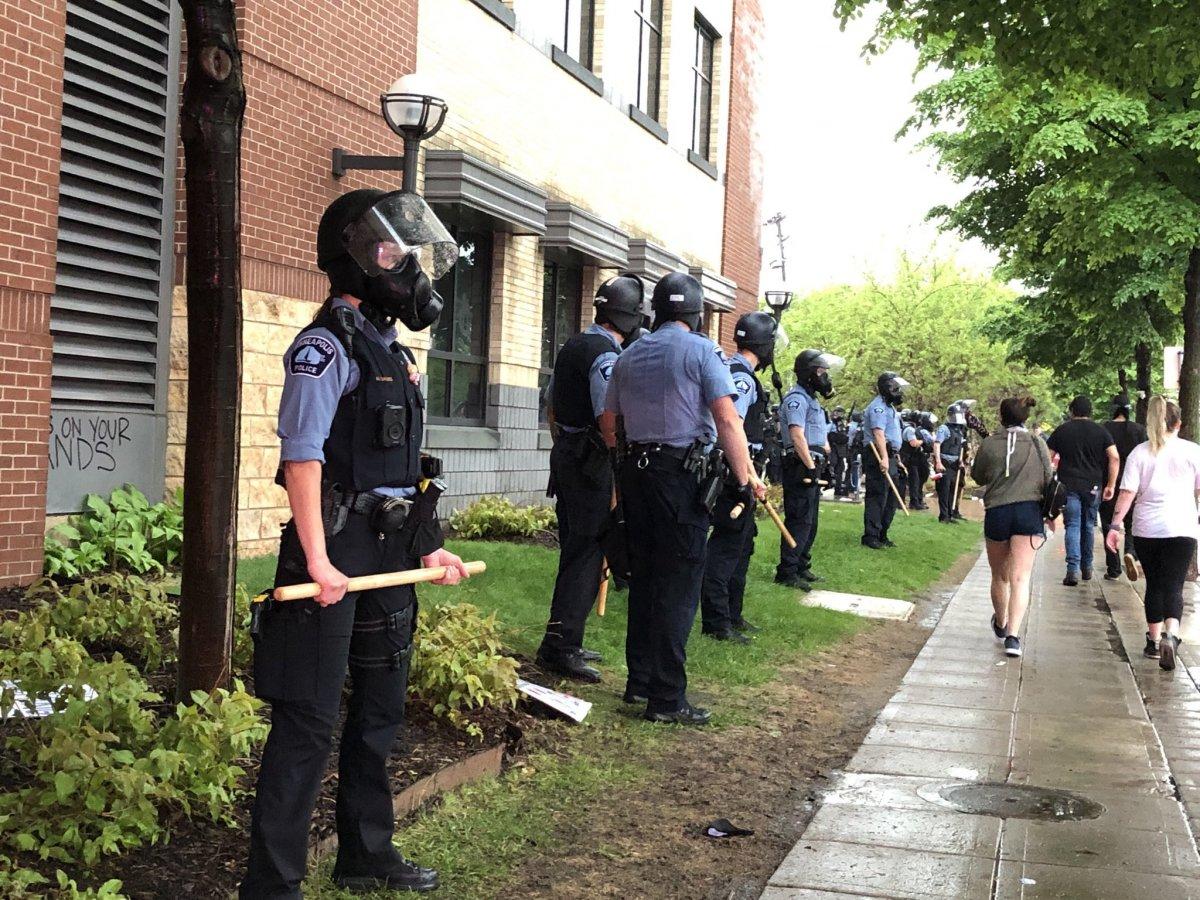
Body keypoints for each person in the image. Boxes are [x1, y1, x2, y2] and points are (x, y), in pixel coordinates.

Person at [240, 190, 471, 897]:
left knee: (380, 709)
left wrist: (425, 549)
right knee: (308, 722)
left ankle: (366, 854)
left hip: (389, 554)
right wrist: (316, 559)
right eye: (390, 250)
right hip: (332, 549)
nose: (405, 266)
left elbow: (401, 472)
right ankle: (273, 886)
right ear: (354, 255)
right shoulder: (323, 347)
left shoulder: (392, 352)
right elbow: (303, 458)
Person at [600, 272, 765, 726]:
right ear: (694, 312)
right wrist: (744, 476)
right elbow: (728, 421)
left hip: (635, 472)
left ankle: (640, 681)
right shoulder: (702, 351)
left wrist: (625, 464)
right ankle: (668, 698)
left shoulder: (630, 354)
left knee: (646, 576)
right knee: (679, 581)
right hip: (680, 477)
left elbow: (610, 422)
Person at [536, 273, 645, 682]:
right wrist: (618, 462)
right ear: (630, 316)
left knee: (579, 551)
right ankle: (560, 648)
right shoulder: (604, 355)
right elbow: (608, 419)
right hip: (590, 463)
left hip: (569, 456)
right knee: (584, 554)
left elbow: (551, 406)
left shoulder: (573, 345)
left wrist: (565, 445)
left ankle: (567, 639)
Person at [701, 311, 779, 641]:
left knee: (743, 545)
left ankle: (733, 614)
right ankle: (717, 623)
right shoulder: (743, 379)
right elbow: (733, 430)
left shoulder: (735, 371)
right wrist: (747, 476)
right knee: (726, 548)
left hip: (741, 472)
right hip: (734, 475)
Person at [1105, 397, 1200, 670]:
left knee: (1154, 584)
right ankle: (1171, 634)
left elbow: (1127, 494)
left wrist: (1114, 526)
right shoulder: (1193, 451)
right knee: (1175, 583)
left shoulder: (1140, 453)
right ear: (1179, 423)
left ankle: (1153, 640)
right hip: (1182, 526)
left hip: (1148, 527)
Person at [971, 397, 1054, 658]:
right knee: (1021, 577)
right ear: (1025, 417)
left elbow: (977, 475)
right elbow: (1049, 477)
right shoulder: (1037, 443)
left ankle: (1000, 620)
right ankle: (1013, 637)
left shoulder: (989, 444)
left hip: (997, 512)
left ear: (1000, 416)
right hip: (1028, 513)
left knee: (999, 575)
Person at [775, 348, 843, 587]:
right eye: (821, 371)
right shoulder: (796, 399)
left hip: (812, 462)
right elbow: (796, 435)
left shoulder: (811, 400)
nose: (825, 377)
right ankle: (787, 571)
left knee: (810, 520)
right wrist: (810, 465)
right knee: (799, 519)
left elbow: (818, 436)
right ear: (808, 373)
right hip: (799, 464)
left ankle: (802, 565)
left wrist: (825, 463)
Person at [1046, 395, 1119, 586]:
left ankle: (1072, 570)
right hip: (1093, 486)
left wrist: (1048, 483)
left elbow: (1048, 457)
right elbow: (1114, 457)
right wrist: (1110, 484)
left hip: (1068, 485)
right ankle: (1087, 567)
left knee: (1072, 525)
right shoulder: (1101, 431)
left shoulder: (1062, 430)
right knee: (1088, 525)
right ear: (1090, 412)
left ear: (1072, 411)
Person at [1100, 393, 1147, 581]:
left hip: (1109, 483)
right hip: (1133, 484)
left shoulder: (1104, 429)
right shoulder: (1139, 430)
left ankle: (1113, 567)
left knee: (1109, 524)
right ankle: (1131, 552)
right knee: (1131, 524)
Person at [862, 372, 909, 549]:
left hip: (890, 454)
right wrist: (883, 458)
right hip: (877, 453)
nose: (897, 391)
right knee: (877, 495)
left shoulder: (891, 409)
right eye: (894, 387)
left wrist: (895, 458)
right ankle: (871, 535)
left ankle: (883, 533)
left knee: (891, 497)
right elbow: (878, 434)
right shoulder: (878, 407)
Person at [934, 404, 968, 523]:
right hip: (944, 462)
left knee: (953, 490)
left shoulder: (959, 430)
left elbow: (960, 447)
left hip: (955, 464)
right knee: (944, 490)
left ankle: (950, 514)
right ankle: (943, 516)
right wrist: (938, 462)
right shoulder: (943, 429)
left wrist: (961, 461)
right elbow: (937, 444)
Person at [901, 411, 928, 510]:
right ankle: (913, 502)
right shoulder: (910, 429)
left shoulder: (905, 427)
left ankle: (912, 501)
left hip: (909, 459)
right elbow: (913, 443)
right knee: (914, 481)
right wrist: (922, 441)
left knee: (912, 481)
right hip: (909, 459)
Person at [828, 406, 851, 499]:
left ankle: (838, 488)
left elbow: (844, 435)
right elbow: (828, 434)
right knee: (832, 466)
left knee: (840, 468)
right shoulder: (831, 423)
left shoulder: (841, 424)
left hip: (840, 449)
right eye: (838, 412)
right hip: (833, 448)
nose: (839, 415)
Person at [846, 411, 864, 499]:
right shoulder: (855, 426)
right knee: (854, 469)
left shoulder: (851, 426)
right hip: (854, 450)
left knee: (852, 469)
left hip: (852, 450)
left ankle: (852, 487)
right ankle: (852, 488)